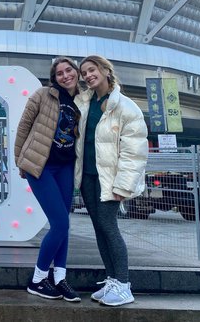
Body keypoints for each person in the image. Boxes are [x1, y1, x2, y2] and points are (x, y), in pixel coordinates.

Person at [74, 55, 148, 307]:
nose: (87, 76)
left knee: (108, 225)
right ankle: (112, 281)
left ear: (106, 70)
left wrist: (123, 185)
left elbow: (134, 151)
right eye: (84, 72)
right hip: (88, 176)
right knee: (98, 226)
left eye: (92, 70)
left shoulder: (125, 107)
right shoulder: (85, 103)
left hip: (110, 179)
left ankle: (124, 284)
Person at [14, 56, 81, 302]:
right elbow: (23, 126)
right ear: (55, 78)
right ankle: (37, 279)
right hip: (40, 166)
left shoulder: (82, 101)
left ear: (76, 72)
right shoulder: (43, 95)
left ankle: (60, 278)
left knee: (63, 225)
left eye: (69, 70)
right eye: (60, 73)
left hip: (66, 167)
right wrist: (19, 160)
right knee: (60, 224)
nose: (65, 76)